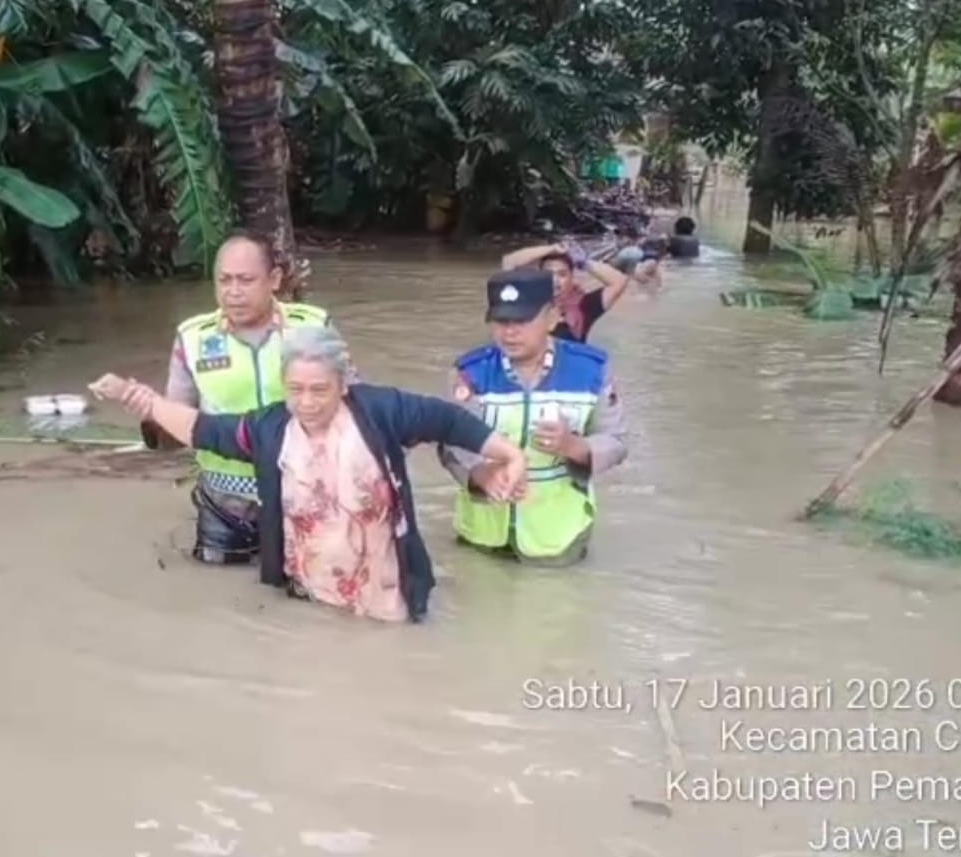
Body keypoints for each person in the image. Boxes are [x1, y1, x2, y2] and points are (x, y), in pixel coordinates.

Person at [92, 326, 528, 623]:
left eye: (320, 389)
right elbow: (203, 430)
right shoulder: (270, 429)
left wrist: (508, 454)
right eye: (295, 389)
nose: (307, 402)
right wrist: (139, 398)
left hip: (386, 594)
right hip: (309, 595)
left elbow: (447, 420)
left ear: (343, 383)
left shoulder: (380, 410)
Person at [148, 231, 333, 567]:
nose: (233, 292)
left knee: (309, 588)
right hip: (223, 505)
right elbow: (177, 425)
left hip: (302, 496)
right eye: (224, 281)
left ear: (274, 279)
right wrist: (152, 415)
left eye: (245, 280)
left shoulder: (313, 329)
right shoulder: (193, 338)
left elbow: (354, 410)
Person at [438, 269, 628, 566]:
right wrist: (480, 474)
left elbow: (615, 441)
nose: (510, 332)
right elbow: (451, 442)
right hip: (482, 533)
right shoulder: (470, 372)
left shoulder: (591, 370)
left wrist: (572, 446)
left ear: (553, 317)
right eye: (501, 321)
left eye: (522, 320)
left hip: (558, 537)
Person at [498, 242, 629, 343]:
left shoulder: (584, 306)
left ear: (572, 278)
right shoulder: (527, 300)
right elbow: (509, 262)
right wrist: (553, 248)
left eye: (562, 274)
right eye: (548, 273)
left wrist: (584, 263)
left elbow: (619, 281)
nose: (555, 280)